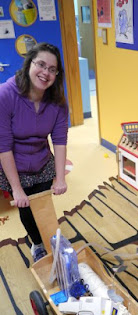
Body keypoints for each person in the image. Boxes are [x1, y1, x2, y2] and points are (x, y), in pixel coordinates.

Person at [0, 42, 68, 262]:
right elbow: (3, 146)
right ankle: (37, 243)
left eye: (52, 69)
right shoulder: (5, 95)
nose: (45, 73)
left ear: (57, 74)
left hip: (41, 161)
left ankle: (47, 238)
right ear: (29, 63)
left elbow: (59, 141)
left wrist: (59, 178)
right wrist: (17, 189)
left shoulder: (57, 101)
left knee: (43, 203)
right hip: (14, 164)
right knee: (26, 207)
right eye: (41, 64)